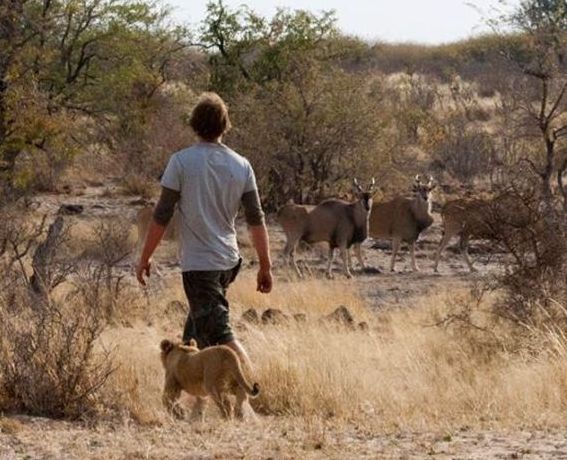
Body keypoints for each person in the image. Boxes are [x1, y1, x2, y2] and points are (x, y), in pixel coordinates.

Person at [136, 92, 272, 368]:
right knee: (196, 337)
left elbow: (162, 215)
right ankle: (193, 407)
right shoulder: (241, 165)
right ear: (224, 125)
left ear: (195, 124)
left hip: (200, 264)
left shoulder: (181, 162)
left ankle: (251, 391)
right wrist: (265, 265)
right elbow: (256, 218)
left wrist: (145, 256)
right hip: (228, 261)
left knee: (221, 335)